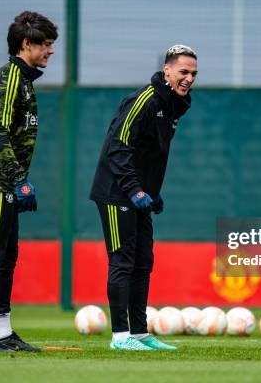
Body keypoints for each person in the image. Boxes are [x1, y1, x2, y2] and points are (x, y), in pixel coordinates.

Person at [89, 44, 197, 351]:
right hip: (115, 191)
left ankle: (139, 333)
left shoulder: (174, 104)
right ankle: (120, 337)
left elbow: (148, 152)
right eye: (183, 72)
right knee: (122, 261)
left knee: (143, 262)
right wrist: (135, 189)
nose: (189, 78)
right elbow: (118, 146)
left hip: (138, 193)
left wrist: (151, 190)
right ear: (167, 71)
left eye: (193, 74)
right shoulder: (146, 100)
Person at [0, 11, 57, 353]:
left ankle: (2, 333)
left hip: (5, 181)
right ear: (26, 44)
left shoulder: (24, 80)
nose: (50, 51)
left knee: (7, 255)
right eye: (46, 45)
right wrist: (19, 179)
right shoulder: (9, 79)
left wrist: (18, 180)